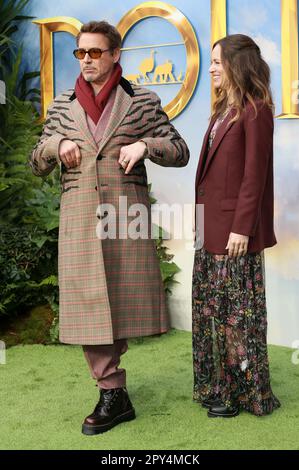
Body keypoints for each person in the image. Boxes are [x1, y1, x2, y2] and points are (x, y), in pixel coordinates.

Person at [29, 20, 189, 434]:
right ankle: (111, 389)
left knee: (118, 302)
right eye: (80, 53)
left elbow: (179, 150)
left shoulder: (142, 102)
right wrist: (54, 145)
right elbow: (35, 161)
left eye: (95, 52)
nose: (86, 60)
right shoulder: (63, 106)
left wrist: (145, 145)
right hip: (79, 219)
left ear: (115, 55)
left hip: (125, 218)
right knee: (88, 305)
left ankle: (113, 387)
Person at [193, 34, 281, 418]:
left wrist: (242, 228)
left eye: (217, 61)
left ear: (237, 64)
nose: (211, 68)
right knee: (212, 313)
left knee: (236, 316)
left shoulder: (255, 110)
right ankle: (218, 387)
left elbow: (254, 177)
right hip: (208, 230)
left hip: (234, 235)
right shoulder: (221, 111)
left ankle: (243, 394)